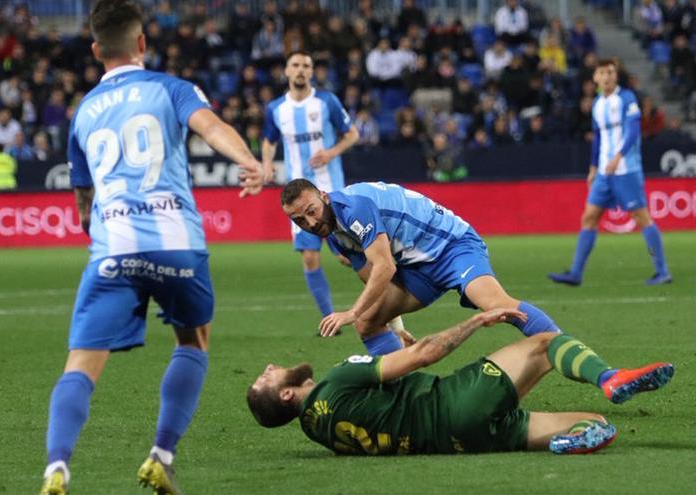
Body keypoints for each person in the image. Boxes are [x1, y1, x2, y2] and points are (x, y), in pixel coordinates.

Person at [39, 1, 264, 494]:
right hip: (178, 244)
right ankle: (161, 455)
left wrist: (96, 224)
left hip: (113, 249)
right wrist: (250, 162)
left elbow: (82, 202)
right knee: (193, 341)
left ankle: (56, 469)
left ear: (97, 50)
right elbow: (212, 128)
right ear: (142, 43)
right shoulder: (172, 89)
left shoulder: (83, 114)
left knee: (80, 364)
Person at [247, 308, 674, 455]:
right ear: (287, 394)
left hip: (458, 440)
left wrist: (396, 347)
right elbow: (426, 355)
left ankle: (578, 436)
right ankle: (610, 377)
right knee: (545, 345)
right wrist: (476, 321)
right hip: (454, 402)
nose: (269, 365)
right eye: (267, 378)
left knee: (595, 422)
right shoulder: (334, 381)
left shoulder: (318, 431)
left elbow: (377, 402)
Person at [280, 179, 563, 358]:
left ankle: (584, 361)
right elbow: (374, 280)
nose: (310, 223)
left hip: (451, 246)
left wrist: (351, 313)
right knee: (368, 324)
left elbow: (385, 267)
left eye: (311, 210)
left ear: (324, 196)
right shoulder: (336, 235)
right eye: (299, 220)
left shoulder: (353, 209)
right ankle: (404, 399)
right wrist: (397, 328)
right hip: (417, 268)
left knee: (496, 305)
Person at [548, 59, 671, 287]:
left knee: (641, 218)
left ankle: (662, 270)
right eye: (602, 72)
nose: (607, 76)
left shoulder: (627, 99)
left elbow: (634, 131)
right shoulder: (597, 104)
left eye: (611, 72)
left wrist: (618, 156)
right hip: (604, 173)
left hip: (626, 169)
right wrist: (593, 168)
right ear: (595, 78)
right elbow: (598, 139)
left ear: (616, 76)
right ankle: (575, 273)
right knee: (589, 217)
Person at [261, 51, 361, 327]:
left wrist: (331, 153)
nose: (301, 70)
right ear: (286, 71)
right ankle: (329, 318)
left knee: (345, 255)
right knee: (309, 257)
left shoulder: (326, 101)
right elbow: (269, 140)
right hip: (297, 194)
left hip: (329, 191)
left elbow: (352, 134)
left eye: (306, 65)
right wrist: (267, 163)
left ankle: (383, 293)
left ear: (312, 71)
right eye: (295, 65)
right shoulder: (276, 109)